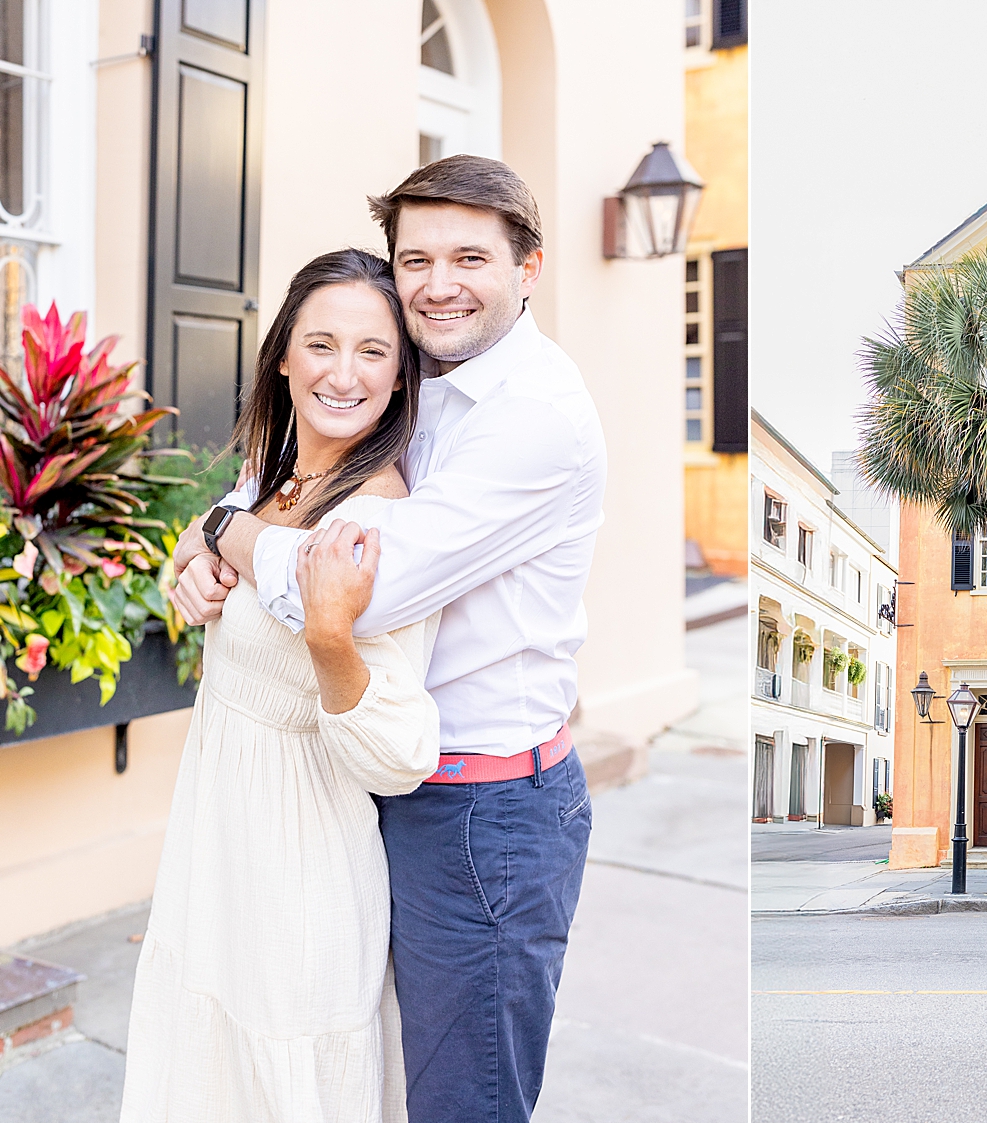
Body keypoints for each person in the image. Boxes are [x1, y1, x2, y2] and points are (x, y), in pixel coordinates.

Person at [170, 156, 605, 1123]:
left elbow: (359, 591)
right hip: (374, 797)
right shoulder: (419, 385)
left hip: (483, 814)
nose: (437, 284)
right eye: (417, 258)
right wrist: (208, 537)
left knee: (462, 1104)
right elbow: (282, 486)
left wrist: (225, 535)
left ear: (529, 267)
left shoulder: (536, 417)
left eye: (469, 257)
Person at [121, 249, 441, 1119]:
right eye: (323, 343)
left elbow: (403, 753)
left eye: (374, 351)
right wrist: (185, 568)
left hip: (299, 859)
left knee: (284, 1076)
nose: (344, 373)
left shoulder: (376, 519)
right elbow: (216, 545)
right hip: (217, 834)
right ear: (283, 357)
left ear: (403, 373)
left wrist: (333, 636)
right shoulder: (273, 473)